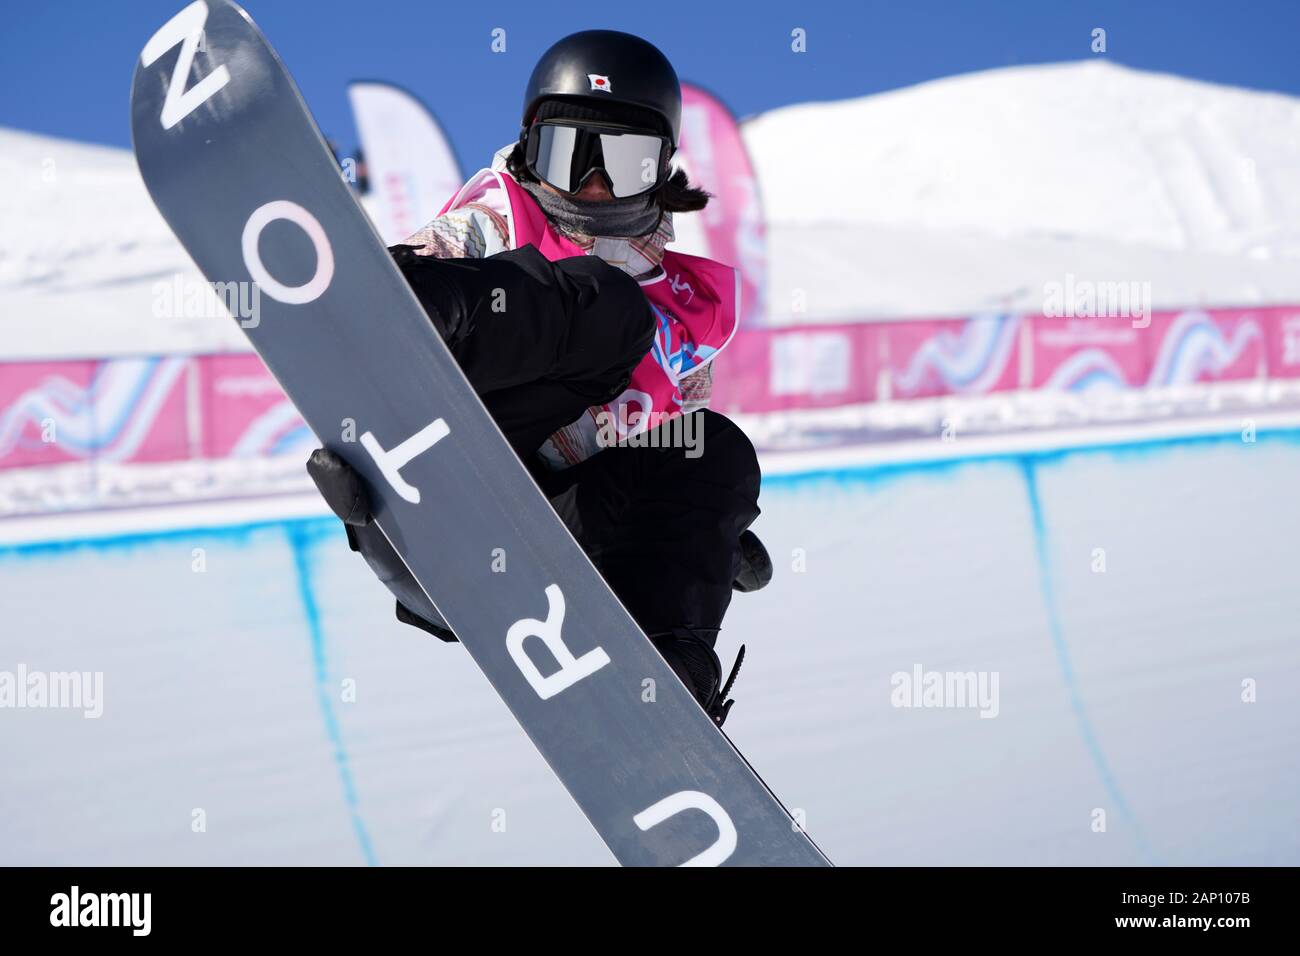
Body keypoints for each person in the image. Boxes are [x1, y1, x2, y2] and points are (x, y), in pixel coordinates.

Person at [308, 30, 770, 726]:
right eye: (568, 155)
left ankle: (661, 680)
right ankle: (406, 342)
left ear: (663, 171)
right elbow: (443, 248)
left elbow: (672, 461)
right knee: (607, 307)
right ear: (529, 149)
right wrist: (389, 293)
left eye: (625, 162)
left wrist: (708, 532)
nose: (593, 185)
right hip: (438, 484)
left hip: (553, 544)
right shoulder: (498, 218)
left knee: (716, 449)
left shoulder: (683, 312)